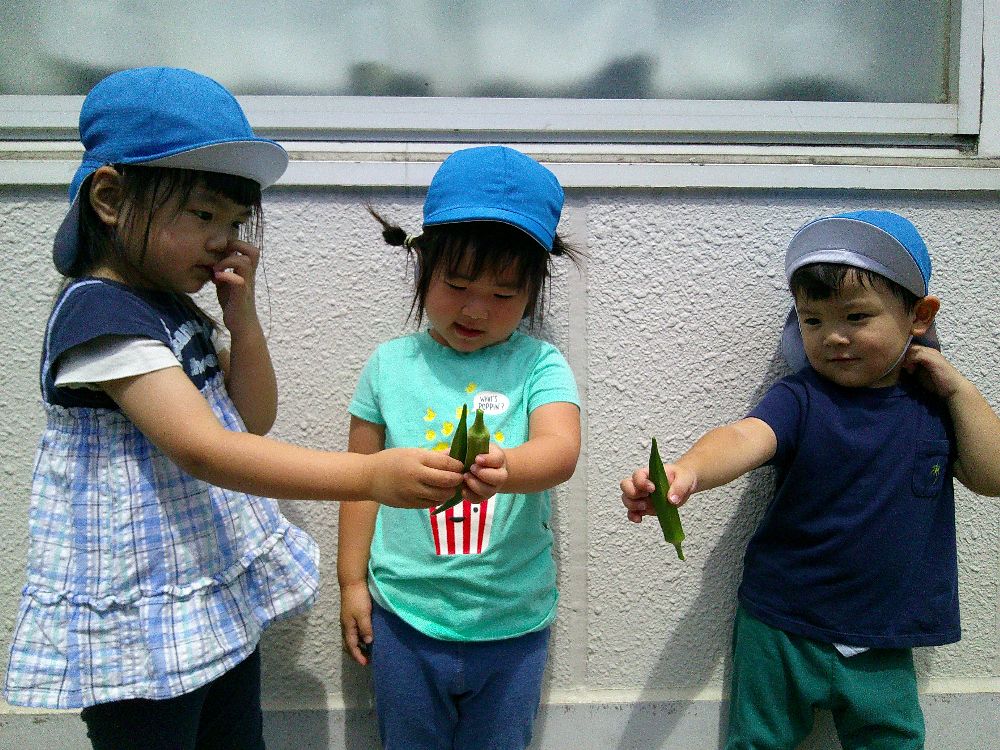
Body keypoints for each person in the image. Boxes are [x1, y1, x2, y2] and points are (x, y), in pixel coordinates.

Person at [3, 67, 465, 750]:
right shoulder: (100, 315)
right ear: (110, 198)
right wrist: (369, 476)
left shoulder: (168, 309)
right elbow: (205, 448)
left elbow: (252, 415)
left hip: (201, 585)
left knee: (234, 734)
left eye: (235, 221)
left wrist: (241, 321)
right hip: (142, 605)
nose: (225, 239)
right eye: (203, 215)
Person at [620, 211, 1000, 749]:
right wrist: (689, 472)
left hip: (884, 633)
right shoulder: (801, 397)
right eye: (812, 320)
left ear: (919, 316)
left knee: (892, 741)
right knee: (759, 742)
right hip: (781, 622)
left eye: (857, 316)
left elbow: (991, 476)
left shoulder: (934, 406)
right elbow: (744, 436)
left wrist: (959, 389)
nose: (833, 337)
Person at [338, 145, 583, 750]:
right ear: (423, 269)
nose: (476, 309)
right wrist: (350, 583)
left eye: (504, 295)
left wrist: (509, 466)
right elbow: (355, 479)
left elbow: (561, 450)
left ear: (533, 293)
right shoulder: (388, 365)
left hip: (512, 619)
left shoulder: (540, 364)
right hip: (404, 613)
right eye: (457, 284)